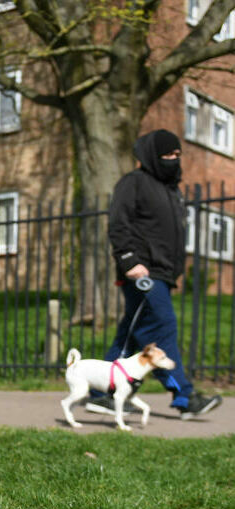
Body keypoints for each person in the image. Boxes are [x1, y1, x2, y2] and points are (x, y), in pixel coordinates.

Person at [85, 129, 222, 420]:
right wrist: (129, 260)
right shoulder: (134, 183)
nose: (174, 159)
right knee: (162, 325)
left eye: (177, 154)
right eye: (167, 155)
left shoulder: (172, 191)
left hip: (163, 273)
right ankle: (184, 396)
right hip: (142, 271)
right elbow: (119, 223)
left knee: (132, 334)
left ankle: (101, 393)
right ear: (151, 156)